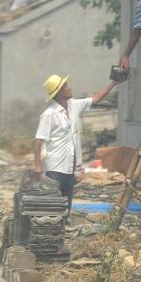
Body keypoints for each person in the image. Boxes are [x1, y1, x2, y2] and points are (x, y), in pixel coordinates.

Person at [34, 74, 117, 217]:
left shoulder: (73, 105)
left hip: (69, 166)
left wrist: (114, 83)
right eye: (65, 86)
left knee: (66, 203)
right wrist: (37, 165)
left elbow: (96, 98)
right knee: (53, 206)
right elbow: (38, 140)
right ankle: (52, 234)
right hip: (55, 167)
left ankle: (62, 233)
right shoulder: (49, 114)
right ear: (60, 92)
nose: (69, 87)